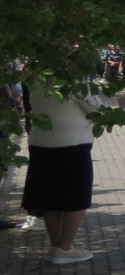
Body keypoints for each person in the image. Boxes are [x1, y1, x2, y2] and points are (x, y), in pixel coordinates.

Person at [20, 89, 96, 265]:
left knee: (50, 195)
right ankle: (65, 247)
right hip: (72, 142)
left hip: (40, 142)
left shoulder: (37, 78)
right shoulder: (73, 80)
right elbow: (95, 107)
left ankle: (56, 246)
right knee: (78, 195)